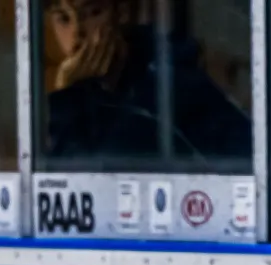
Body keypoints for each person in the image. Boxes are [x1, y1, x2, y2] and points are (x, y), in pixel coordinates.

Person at [43, 0, 251, 166]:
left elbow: (98, 176)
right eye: (63, 19)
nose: (76, 33)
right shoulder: (86, 92)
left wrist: (67, 96)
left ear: (121, 13)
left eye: (93, 13)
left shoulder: (168, 79)